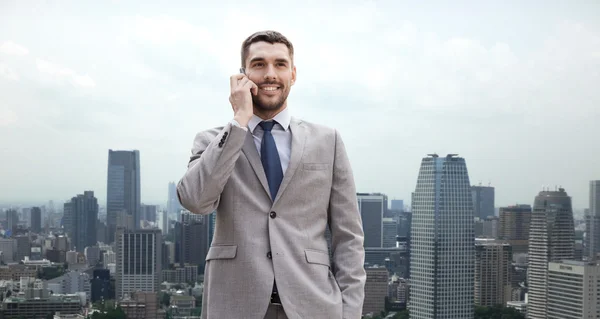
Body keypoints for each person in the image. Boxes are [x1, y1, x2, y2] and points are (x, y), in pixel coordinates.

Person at [177, 30, 366, 319]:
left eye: (279, 64)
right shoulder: (213, 141)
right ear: (242, 75)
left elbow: (349, 237)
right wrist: (239, 120)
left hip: (314, 306)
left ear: (293, 73)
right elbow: (195, 200)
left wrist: (350, 312)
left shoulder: (328, 141)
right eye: (258, 64)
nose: (270, 74)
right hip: (234, 306)